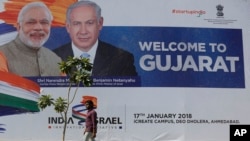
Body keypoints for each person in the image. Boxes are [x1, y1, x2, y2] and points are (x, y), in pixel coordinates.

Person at [53, 0, 138, 76]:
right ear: (68, 26)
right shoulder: (52, 58)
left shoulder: (122, 59)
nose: (83, 31)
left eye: (89, 23)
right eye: (77, 23)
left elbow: (132, 93)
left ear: (100, 23)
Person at [0, 2, 63, 76]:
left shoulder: (56, 60)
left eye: (44, 22)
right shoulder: (2, 55)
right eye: (31, 22)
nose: (38, 28)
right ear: (19, 27)